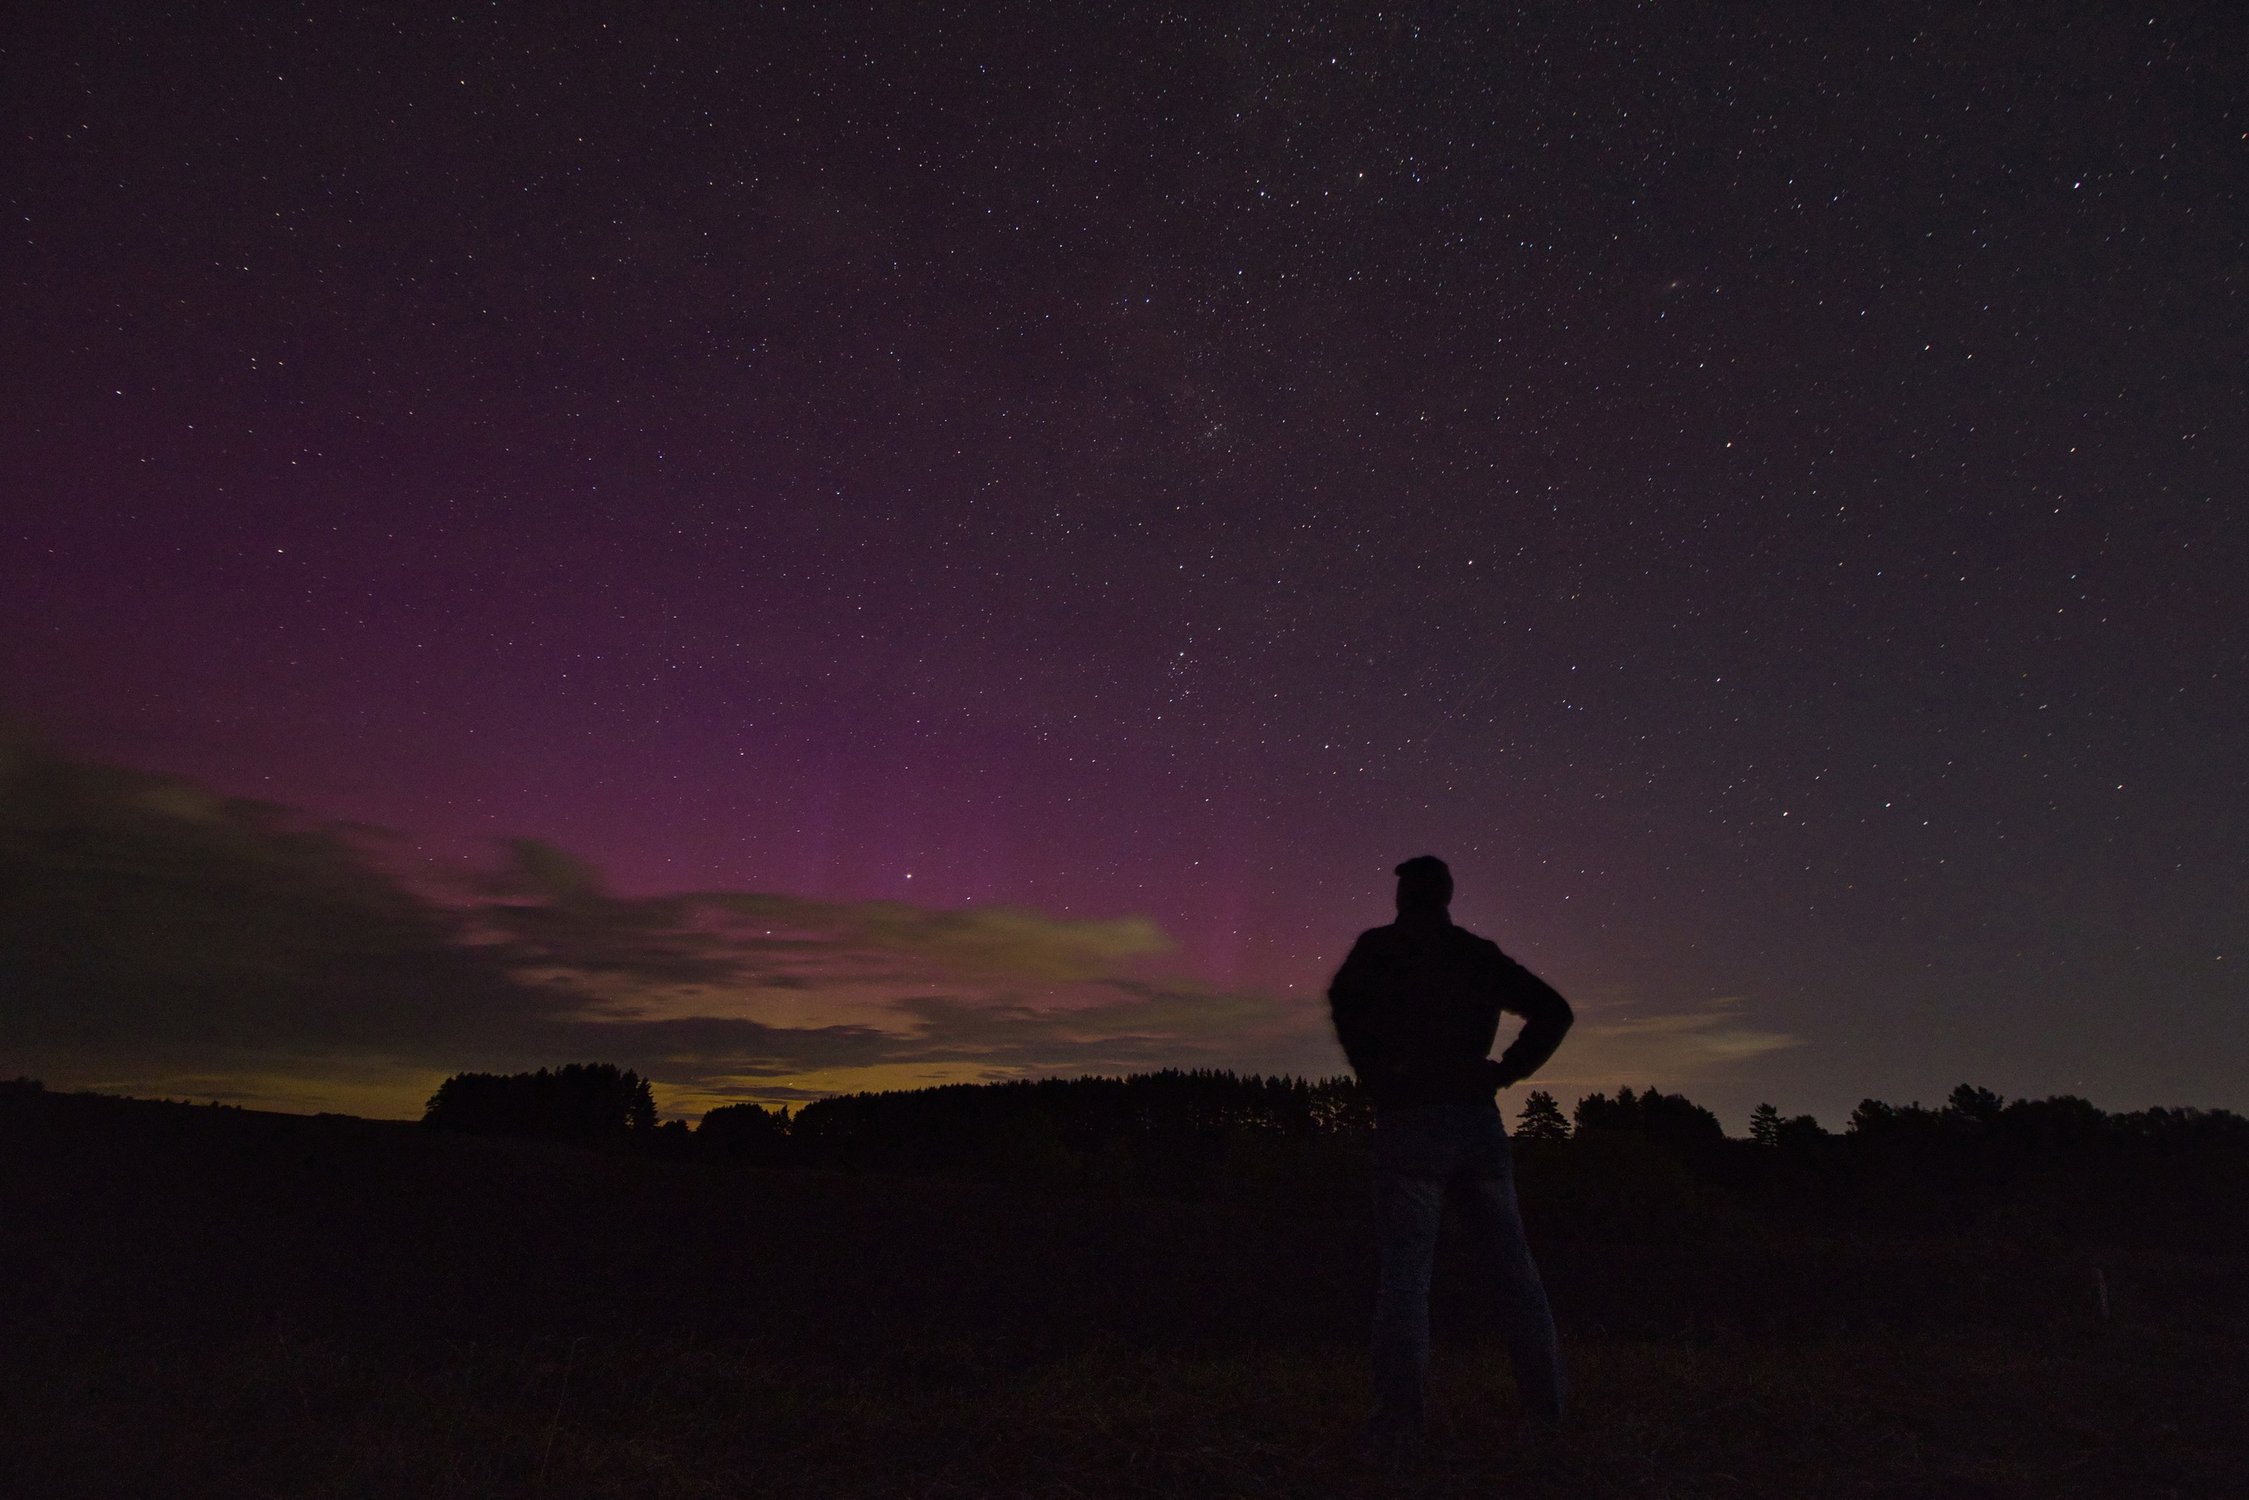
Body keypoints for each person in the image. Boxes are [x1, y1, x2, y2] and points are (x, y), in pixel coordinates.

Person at [1327, 854, 1573, 1463]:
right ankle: (1546, 1418)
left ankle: (1398, 1429)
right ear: (1447, 896)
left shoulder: (1379, 949)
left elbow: (1344, 1002)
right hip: (1475, 1121)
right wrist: (1503, 1073)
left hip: (1410, 1119)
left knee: (1406, 1278)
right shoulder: (1475, 954)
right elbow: (1554, 1011)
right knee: (1515, 1274)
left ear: (1403, 897)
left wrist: (1376, 1074)